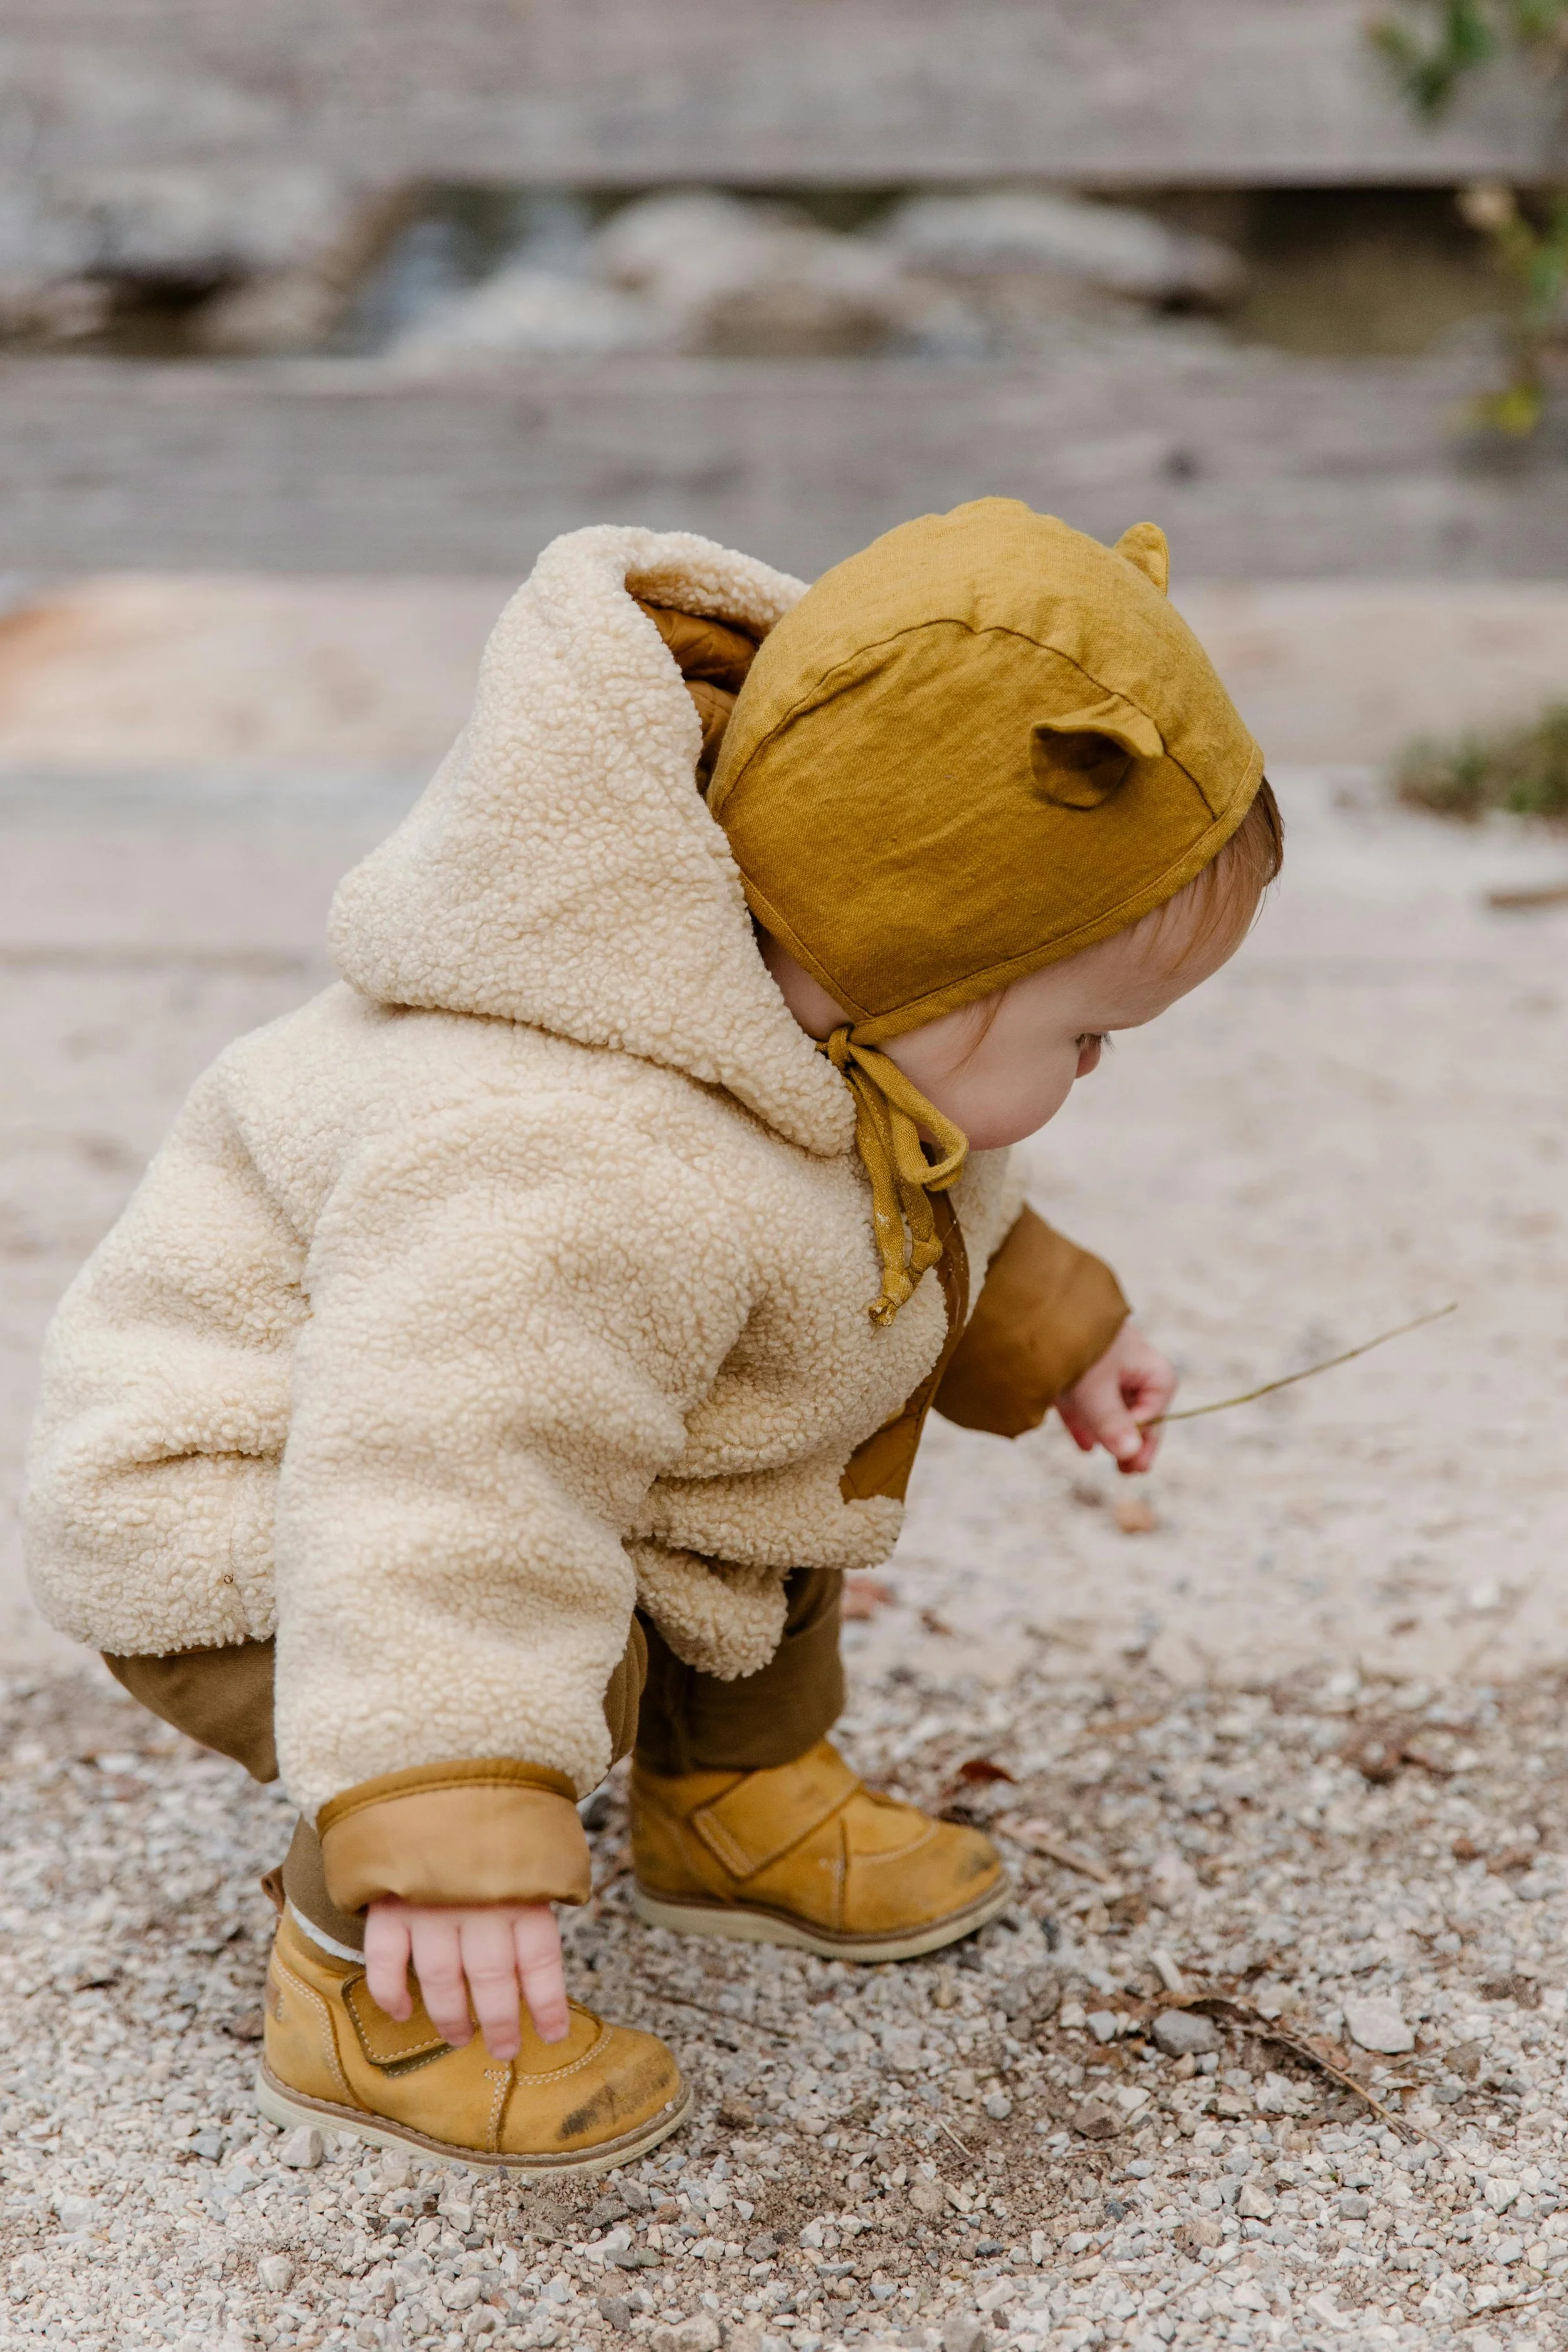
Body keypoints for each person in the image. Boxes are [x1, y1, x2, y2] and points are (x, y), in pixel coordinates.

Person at [24, 498, 1281, 2174]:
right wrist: (449, 1810)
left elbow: (914, 1194)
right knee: (542, 1633)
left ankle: (731, 1797)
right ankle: (365, 1981)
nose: (1095, 1073)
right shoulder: (575, 1163)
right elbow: (447, 1489)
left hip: (453, 1453)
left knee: (774, 1471)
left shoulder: (820, 1021)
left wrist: (1055, 1331)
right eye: (1087, 1036)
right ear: (921, 963)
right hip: (264, 1497)